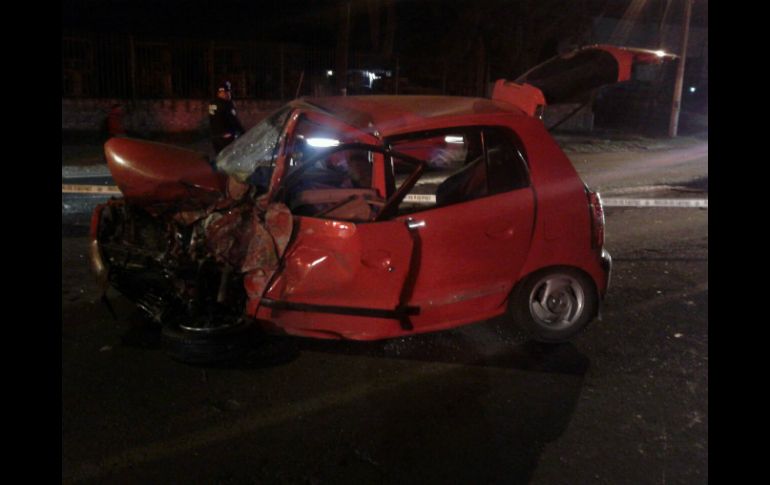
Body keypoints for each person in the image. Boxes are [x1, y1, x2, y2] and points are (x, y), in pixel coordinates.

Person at [208, 81, 245, 154]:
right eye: (228, 92)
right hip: (226, 137)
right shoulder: (227, 104)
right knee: (229, 157)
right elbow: (234, 120)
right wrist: (242, 132)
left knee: (219, 157)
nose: (229, 94)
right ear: (223, 93)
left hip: (215, 136)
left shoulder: (212, 103)